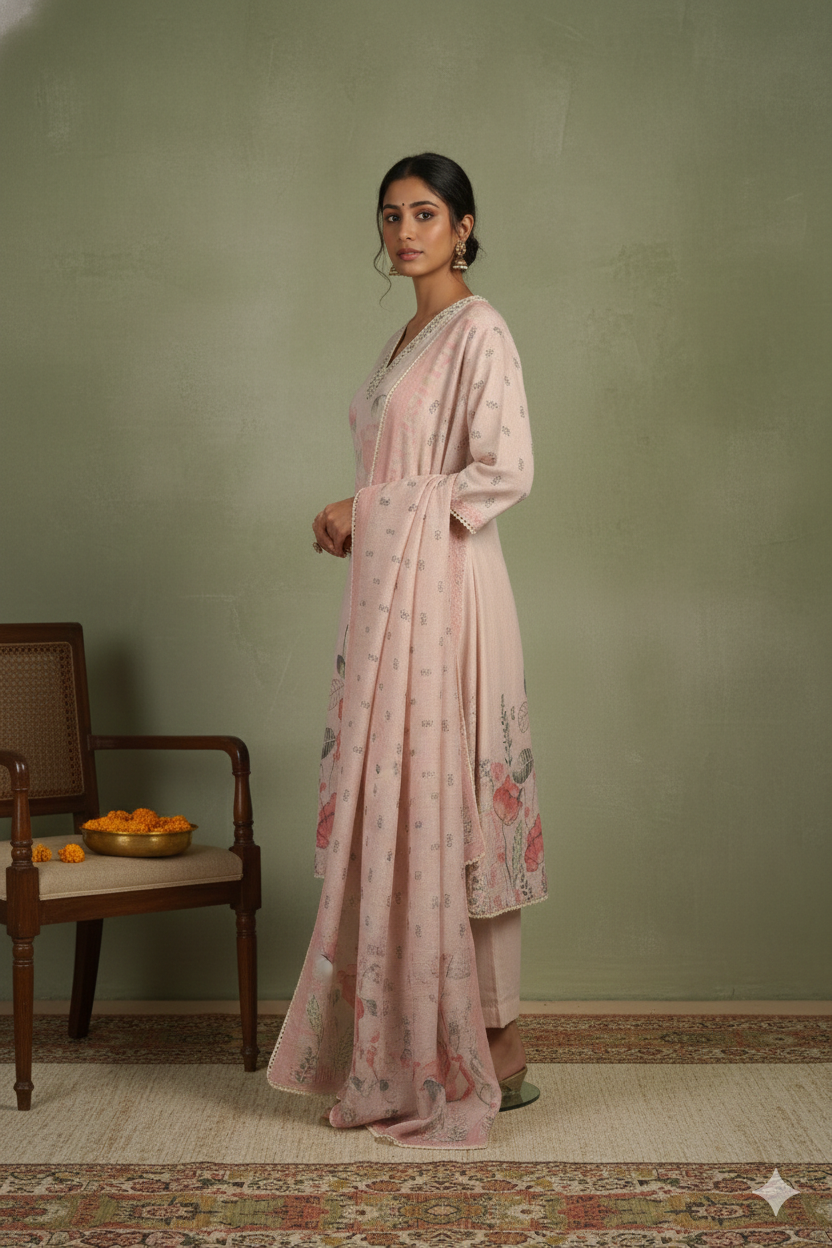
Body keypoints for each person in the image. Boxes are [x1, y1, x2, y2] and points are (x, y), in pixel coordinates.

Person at [268, 153, 547, 1148]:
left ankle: (495, 1040)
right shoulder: (405, 340)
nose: (404, 232)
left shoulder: (479, 329)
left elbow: (505, 469)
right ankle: (421, 1033)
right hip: (394, 596)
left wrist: (369, 508)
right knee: (406, 799)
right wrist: (359, 516)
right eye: (391, 216)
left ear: (464, 227)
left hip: (453, 598)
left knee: (458, 799)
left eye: (425, 214)